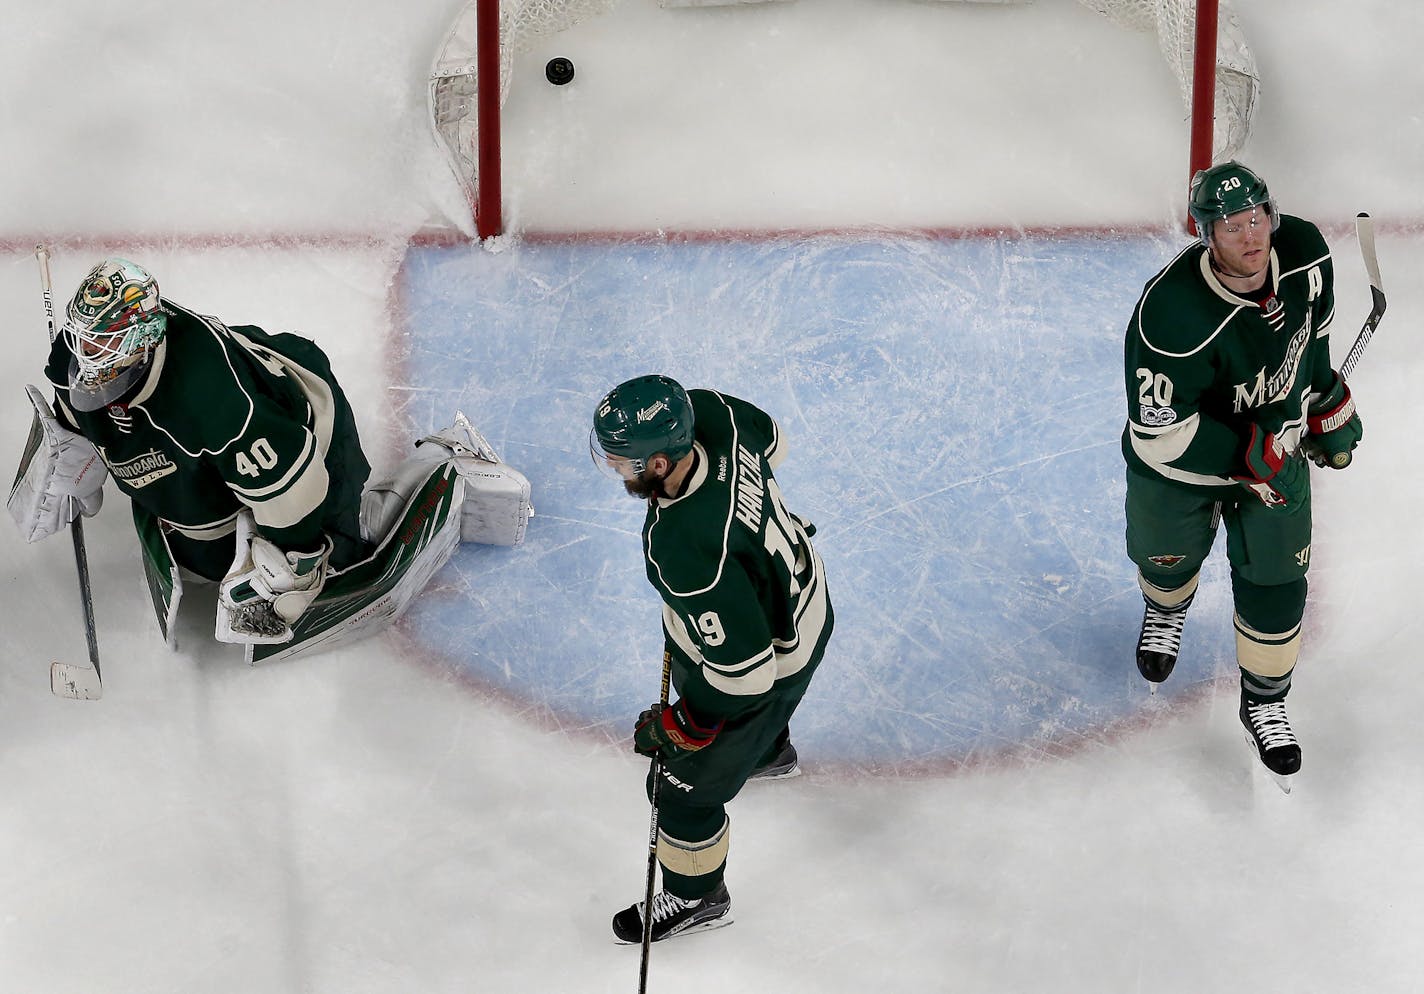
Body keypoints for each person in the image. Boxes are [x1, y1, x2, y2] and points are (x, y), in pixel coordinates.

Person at [9, 257, 532, 661]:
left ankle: (446, 459)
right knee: (207, 559)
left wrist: (297, 564)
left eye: (105, 358)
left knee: (345, 557)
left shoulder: (216, 401)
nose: (88, 369)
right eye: (84, 351)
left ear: (144, 346)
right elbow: (78, 397)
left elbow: (295, 491)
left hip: (301, 445)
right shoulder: (85, 355)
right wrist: (70, 444)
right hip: (208, 452)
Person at [1121, 162, 1363, 787]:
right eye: (1231, 226)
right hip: (1183, 465)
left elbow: (1310, 348)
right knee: (1164, 555)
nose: (1250, 237)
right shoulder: (1170, 317)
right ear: (1206, 235)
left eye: (1256, 219)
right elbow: (1162, 431)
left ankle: (1264, 699)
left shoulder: (1306, 255)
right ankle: (1166, 608)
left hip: (1275, 455)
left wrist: (1324, 403)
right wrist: (1242, 453)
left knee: (1279, 578)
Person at [590, 374, 833, 942]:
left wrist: (687, 724)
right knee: (761, 712)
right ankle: (769, 751)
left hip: (771, 658)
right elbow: (773, 440)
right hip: (805, 601)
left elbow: (747, 679)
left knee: (679, 787)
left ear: (656, 464)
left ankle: (697, 897)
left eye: (622, 461)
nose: (615, 469)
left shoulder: (688, 552)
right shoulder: (709, 411)